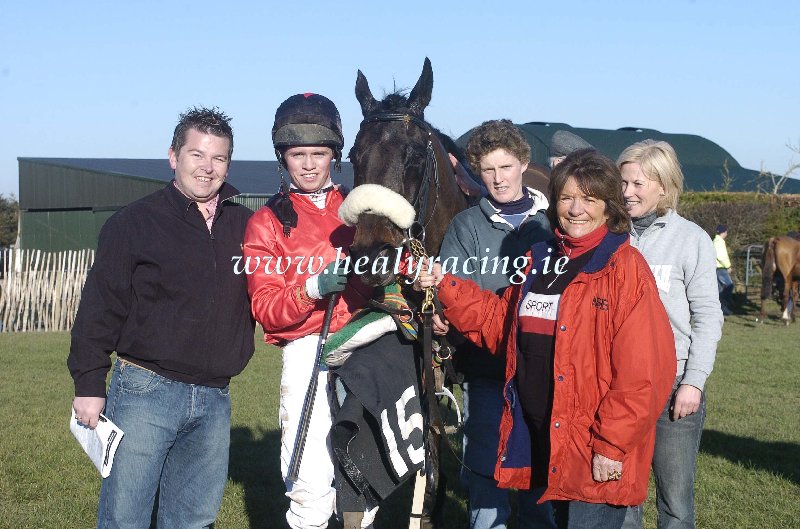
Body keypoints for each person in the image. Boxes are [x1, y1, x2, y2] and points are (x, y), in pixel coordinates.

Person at [419, 148, 675, 529]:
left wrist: (612, 445)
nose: (575, 209)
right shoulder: (540, 259)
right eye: (567, 198)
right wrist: (446, 284)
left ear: (609, 206)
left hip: (593, 447)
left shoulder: (625, 269)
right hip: (542, 439)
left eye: (589, 199)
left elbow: (645, 372)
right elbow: (498, 321)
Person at [68, 107, 256, 528]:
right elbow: (99, 307)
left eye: (219, 158)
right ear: (173, 156)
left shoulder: (247, 227)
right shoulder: (133, 223)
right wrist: (89, 384)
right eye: (196, 155)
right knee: (126, 517)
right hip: (145, 391)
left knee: (193, 520)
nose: (207, 168)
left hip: (213, 397)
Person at [242, 93, 375, 529]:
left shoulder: (362, 209)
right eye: (298, 154)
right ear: (283, 158)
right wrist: (312, 288)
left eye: (319, 153)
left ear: (334, 155)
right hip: (308, 353)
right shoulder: (267, 222)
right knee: (310, 479)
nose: (309, 164)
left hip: (367, 347)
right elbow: (266, 308)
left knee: (366, 479)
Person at [437, 119, 554, 529]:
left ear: (523, 163)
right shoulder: (466, 227)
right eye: (488, 170)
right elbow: (457, 296)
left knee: (540, 476)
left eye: (505, 167)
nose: (498, 178)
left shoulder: (553, 222)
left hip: (544, 374)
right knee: (488, 478)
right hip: (486, 372)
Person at [617, 140, 724, 529]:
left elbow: (708, 315)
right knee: (623, 499)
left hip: (673, 385)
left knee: (675, 503)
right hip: (620, 388)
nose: (627, 193)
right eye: (623, 183)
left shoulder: (690, 238)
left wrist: (693, 383)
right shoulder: (610, 236)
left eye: (638, 184)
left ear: (663, 185)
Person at [713, 224, 734, 315]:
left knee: (720, 289)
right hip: (721, 268)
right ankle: (723, 306)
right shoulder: (719, 242)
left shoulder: (715, 241)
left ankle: (719, 309)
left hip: (718, 268)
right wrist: (728, 266)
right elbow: (721, 256)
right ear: (724, 232)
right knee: (730, 286)